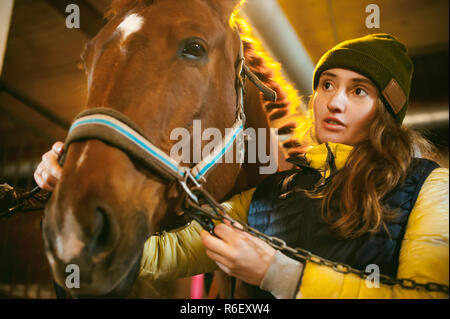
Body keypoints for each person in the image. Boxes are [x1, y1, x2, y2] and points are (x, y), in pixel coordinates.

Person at [35, 34, 449, 298]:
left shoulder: (430, 188)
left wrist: (277, 273)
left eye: (358, 91)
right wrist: (73, 195)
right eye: (327, 84)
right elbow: (164, 255)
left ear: (386, 113)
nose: (334, 102)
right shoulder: (269, 195)